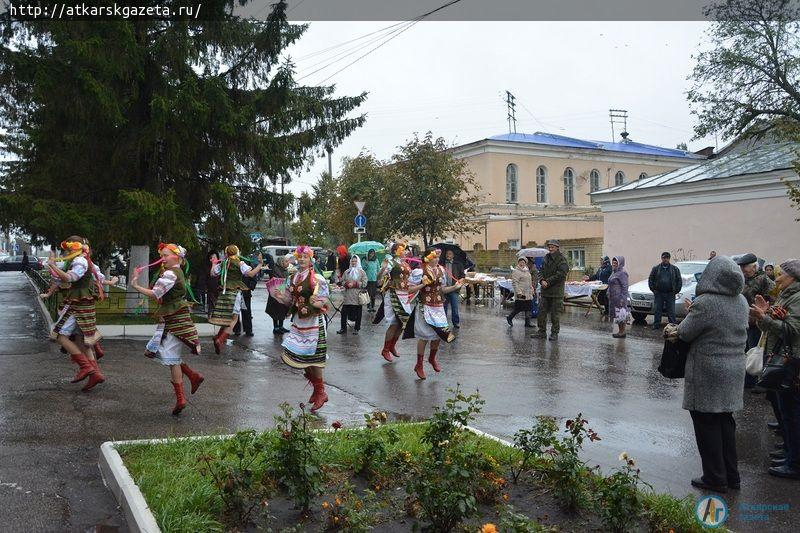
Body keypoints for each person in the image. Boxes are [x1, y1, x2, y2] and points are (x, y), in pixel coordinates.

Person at [666, 256, 748, 493]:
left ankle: (714, 478)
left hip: (708, 372)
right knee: (725, 423)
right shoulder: (741, 300)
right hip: (733, 370)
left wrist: (685, 319)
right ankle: (732, 477)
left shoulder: (707, 303)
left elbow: (685, 333)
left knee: (706, 424)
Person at [130, 243, 204, 415]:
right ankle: (192, 378)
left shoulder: (171, 273)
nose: (162, 258)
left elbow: (155, 293)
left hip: (175, 319)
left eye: (165, 255)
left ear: (176, 257)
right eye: (162, 255)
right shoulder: (174, 272)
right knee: (168, 355)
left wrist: (135, 285)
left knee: (169, 356)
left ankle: (182, 397)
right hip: (173, 318)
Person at [750, 259, 800, 480]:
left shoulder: (797, 298)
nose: (776, 278)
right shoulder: (786, 295)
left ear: (793, 276)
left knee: (792, 413)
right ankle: (790, 454)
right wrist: (763, 317)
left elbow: (792, 330)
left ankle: (795, 463)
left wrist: (765, 319)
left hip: (792, 361)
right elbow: (773, 326)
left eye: (781, 274)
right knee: (785, 411)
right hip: (782, 358)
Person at [274, 246, 331, 412]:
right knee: (301, 356)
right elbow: (290, 300)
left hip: (314, 321)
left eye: (305, 257)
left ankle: (321, 392)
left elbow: (324, 300)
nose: (302, 260)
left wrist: (317, 302)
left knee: (315, 358)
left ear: (310, 259)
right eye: (300, 257)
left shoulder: (317, 277)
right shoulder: (293, 277)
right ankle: (317, 389)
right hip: (299, 321)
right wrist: (279, 297)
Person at [48, 237, 107, 391]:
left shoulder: (80, 261)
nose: (67, 250)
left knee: (59, 335)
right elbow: (98, 277)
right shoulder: (83, 260)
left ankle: (87, 367)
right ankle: (96, 374)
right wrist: (53, 267)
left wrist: (53, 265)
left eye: (69, 247)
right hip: (82, 302)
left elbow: (70, 278)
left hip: (77, 303)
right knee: (82, 340)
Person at [405, 249, 461, 379]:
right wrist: (421, 285)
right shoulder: (420, 271)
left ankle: (432, 358)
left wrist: (455, 287)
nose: (436, 260)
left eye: (438, 257)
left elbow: (442, 289)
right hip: (425, 305)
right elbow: (408, 288)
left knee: (438, 334)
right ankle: (419, 364)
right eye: (434, 257)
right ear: (427, 258)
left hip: (439, 307)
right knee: (425, 336)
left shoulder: (441, 270)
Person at [208, 245, 264, 354]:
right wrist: (260, 265)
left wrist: (214, 264)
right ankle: (220, 340)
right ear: (237, 252)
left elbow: (212, 273)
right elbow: (250, 274)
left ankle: (217, 337)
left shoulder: (223, 263)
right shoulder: (240, 263)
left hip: (224, 292)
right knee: (233, 319)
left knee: (228, 317)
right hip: (235, 293)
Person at [373, 242, 414, 362]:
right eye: (403, 250)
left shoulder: (406, 264)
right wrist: (382, 269)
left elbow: (409, 280)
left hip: (404, 294)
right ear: (397, 251)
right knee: (394, 323)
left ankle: (392, 346)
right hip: (393, 294)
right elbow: (379, 278)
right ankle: (385, 349)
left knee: (404, 323)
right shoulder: (391, 261)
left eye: (405, 250)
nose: (405, 252)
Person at [532, 240, 569, 341]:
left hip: (556, 292)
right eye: (549, 247)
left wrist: (548, 281)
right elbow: (540, 271)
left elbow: (561, 274)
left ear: (557, 248)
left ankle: (554, 333)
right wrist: (542, 280)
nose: (551, 249)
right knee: (541, 312)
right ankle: (541, 331)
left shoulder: (562, 259)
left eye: (553, 247)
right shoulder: (546, 258)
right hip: (545, 291)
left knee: (555, 314)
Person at [648, 252, 682, 330]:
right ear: (661, 258)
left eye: (667, 258)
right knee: (657, 310)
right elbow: (651, 279)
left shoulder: (675, 269)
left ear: (669, 259)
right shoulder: (656, 268)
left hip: (670, 293)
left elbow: (679, 280)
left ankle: (673, 326)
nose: (665, 259)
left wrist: (676, 290)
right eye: (664, 258)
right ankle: (656, 325)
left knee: (671, 311)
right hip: (659, 293)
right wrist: (653, 289)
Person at [234, 252, 263, 337]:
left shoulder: (247, 264)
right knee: (236, 312)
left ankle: (248, 330)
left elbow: (253, 277)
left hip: (246, 292)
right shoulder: (233, 265)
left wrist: (249, 287)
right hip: (235, 291)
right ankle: (237, 330)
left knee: (246, 312)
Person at [338, 255, 367, 335]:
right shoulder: (347, 271)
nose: (353, 263)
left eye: (355, 261)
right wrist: (346, 284)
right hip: (348, 296)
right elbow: (342, 281)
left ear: (358, 262)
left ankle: (357, 328)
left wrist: (355, 284)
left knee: (358, 313)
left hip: (357, 296)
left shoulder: (362, 272)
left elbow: (365, 283)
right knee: (343, 312)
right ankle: (343, 328)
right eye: (352, 261)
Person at [265, 255, 291, 335]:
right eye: (286, 261)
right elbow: (277, 281)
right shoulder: (276, 269)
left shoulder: (285, 270)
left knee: (282, 310)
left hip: (283, 293)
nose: (288, 263)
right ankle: (276, 327)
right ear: (281, 262)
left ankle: (281, 326)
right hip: (275, 294)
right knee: (276, 311)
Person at [507, 257, 534, 328]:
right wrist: (518, 292)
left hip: (528, 293)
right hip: (521, 293)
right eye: (520, 262)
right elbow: (515, 283)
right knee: (518, 308)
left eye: (523, 262)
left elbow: (529, 281)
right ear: (518, 262)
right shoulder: (516, 271)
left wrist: (532, 288)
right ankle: (509, 318)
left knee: (529, 308)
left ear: (525, 263)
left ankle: (527, 323)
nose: (522, 263)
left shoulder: (527, 271)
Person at [608, 256, 630, 338]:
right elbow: (610, 283)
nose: (614, 264)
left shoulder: (622, 273)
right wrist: (608, 292)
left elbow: (625, 286)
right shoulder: (614, 272)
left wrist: (622, 298)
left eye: (616, 262)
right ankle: (620, 331)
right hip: (613, 297)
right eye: (613, 262)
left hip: (619, 297)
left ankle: (622, 332)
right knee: (617, 315)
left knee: (621, 314)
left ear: (620, 263)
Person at [442, 249, 464, 328]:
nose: (448, 255)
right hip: (444, 289)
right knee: (444, 307)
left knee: (454, 307)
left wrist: (460, 281)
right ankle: (443, 323)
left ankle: (456, 322)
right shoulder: (442, 264)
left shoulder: (458, 264)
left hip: (454, 289)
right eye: (447, 253)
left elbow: (462, 276)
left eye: (450, 254)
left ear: (453, 255)